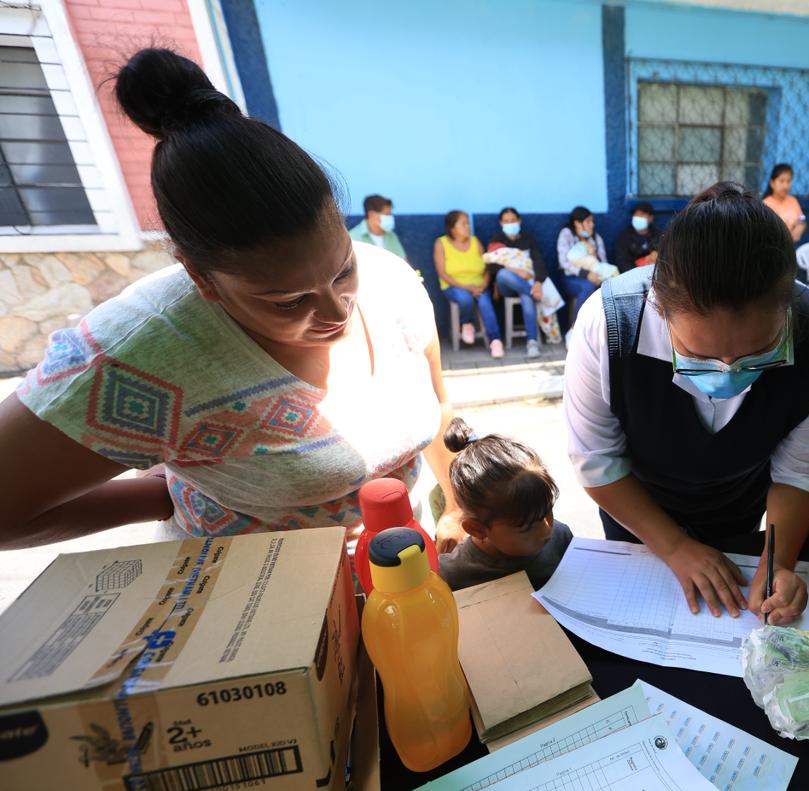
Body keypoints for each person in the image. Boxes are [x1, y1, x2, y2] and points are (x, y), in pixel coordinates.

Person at [0, 48, 465, 551]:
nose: (337, 311)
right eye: (288, 301)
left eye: (343, 269)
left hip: (400, 572)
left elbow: (439, 404)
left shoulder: (389, 281)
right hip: (255, 603)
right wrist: (161, 498)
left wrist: (458, 504)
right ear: (201, 278)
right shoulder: (145, 351)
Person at [564, 182, 809, 625]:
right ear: (660, 307)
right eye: (698, 356)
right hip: (637, 510)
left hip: (741, 507)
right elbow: (598, 461)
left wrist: (776, 563)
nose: (727, 371)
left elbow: (801, 471)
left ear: (787, 311)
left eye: (759, 354)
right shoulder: (609, 325)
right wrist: (674, 547)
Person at [436, 417, 574, 590]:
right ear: (477, 529)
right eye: (527, 527)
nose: (547, 531)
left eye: (548, 511)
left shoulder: (561, 538)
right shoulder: (452, 575)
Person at [435, 210, 503, 357]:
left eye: (468, 223)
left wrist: (484, 284)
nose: (468, 227)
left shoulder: (475, 241)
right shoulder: (441, 244)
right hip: (454, 285)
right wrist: (468, 287)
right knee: (464, 298)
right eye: (463, 224)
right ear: (453, 228)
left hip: (478, 285)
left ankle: (495, 340)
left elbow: (487, 267)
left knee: (485, 302)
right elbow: (443, 274)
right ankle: (467, 323)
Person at [488, 207, 550, 357]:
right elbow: (492, 266)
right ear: (501, 223)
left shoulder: (528, 240)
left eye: (513, 220)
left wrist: (538, 283)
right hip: (506, 286)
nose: (510, 223)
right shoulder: (497, 241)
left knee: (526, 296)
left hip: (527, 285)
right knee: (503, 273)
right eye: (506, 221)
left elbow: (538, 261)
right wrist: (517, 271)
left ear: (519, 221)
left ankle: (532, 342)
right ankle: (532, 291)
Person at [557, 206, 609, 327]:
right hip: (570, 277)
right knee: (587, 286)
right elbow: (564, 262)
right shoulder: (566, 234)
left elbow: (603, 262)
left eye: (592, 221)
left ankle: (602, 328)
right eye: (588, 221)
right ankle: (576, 327)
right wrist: (585, 274)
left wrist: (593, 251)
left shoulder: (595, 238)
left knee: (609, 287)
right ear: (577, 223)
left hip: (595, 274)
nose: (592, 225)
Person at [349, 193, 407, 260]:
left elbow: (403, 262)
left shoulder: (392, 236)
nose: (390, 218)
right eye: (386, 214)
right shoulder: (352, 238)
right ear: (371, 214)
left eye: (390, 214)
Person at [762, 164, 806, 241]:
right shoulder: (765, 204)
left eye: (788, 181)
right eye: (781, 181)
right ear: (772, 183)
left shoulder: (793, 201)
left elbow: (802, 219)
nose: (785, 185)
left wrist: (801, 225)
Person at [615, 202, 662, 272]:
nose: (638, 217)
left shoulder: (659, 235)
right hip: (632, 275)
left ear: (651, 218)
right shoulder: (624, 236)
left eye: (642, 215)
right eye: (636, 215)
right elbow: (622, 261)